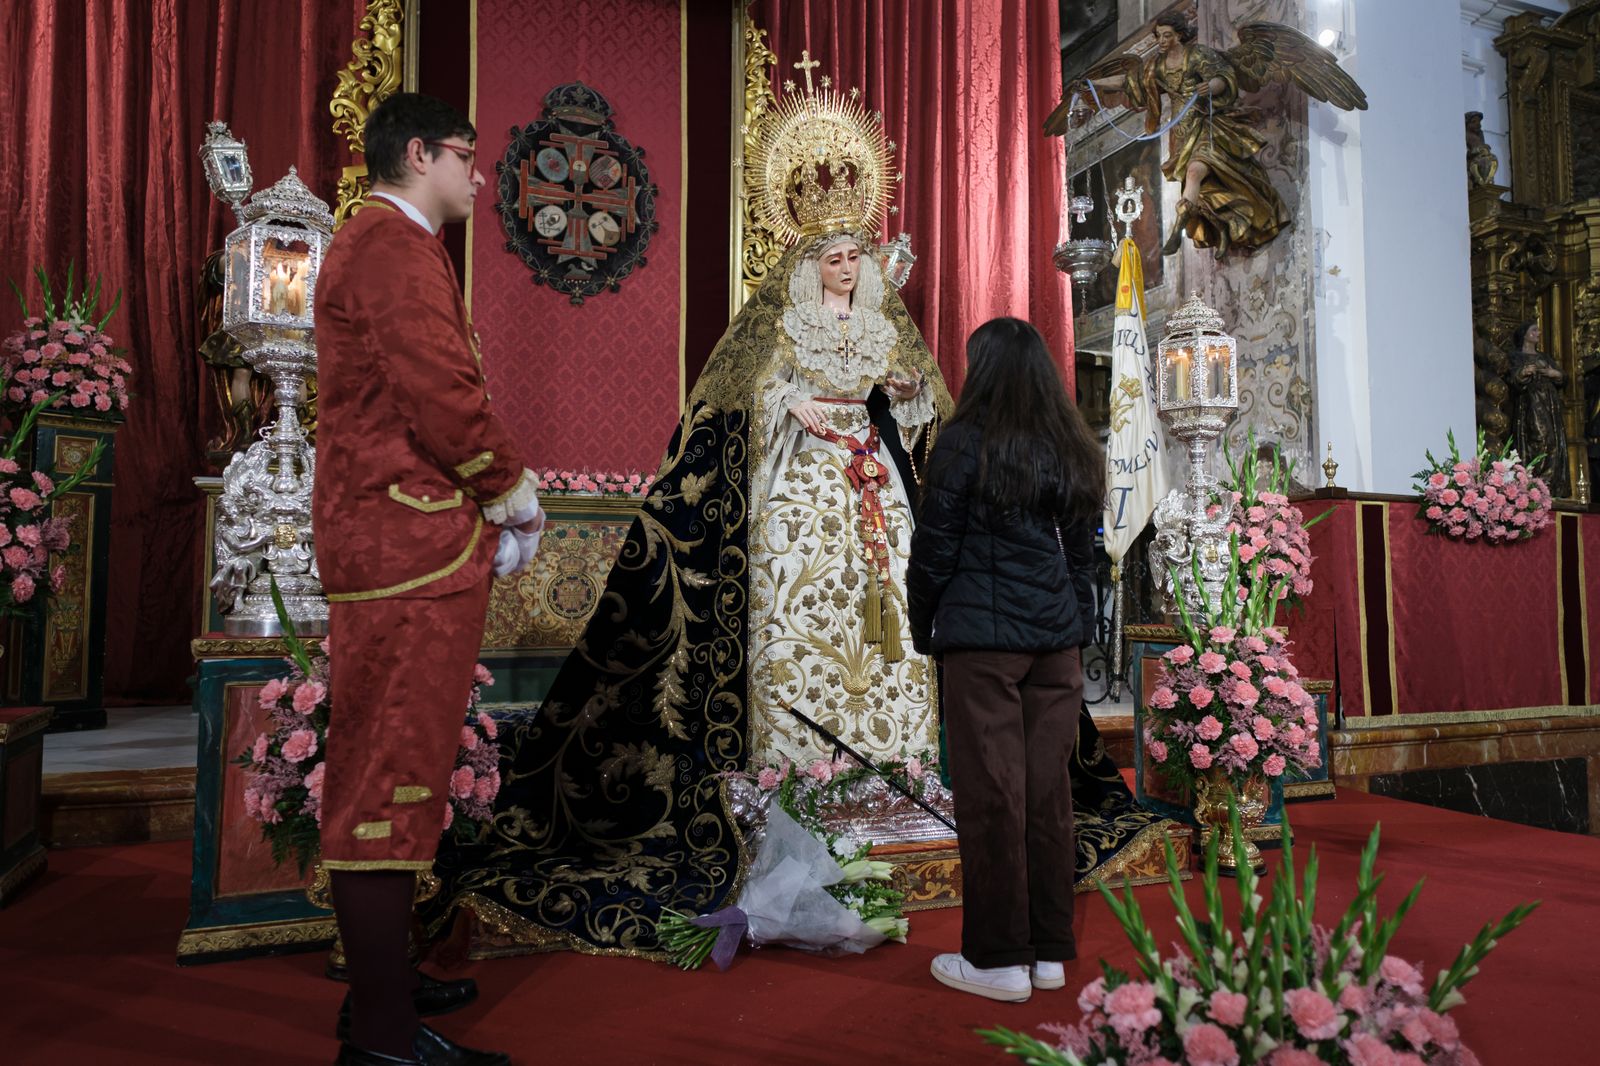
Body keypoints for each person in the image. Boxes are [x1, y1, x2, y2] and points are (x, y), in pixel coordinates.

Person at [313, 91, 544, 1066]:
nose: (479, 175)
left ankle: (386, 988)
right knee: (387, 784)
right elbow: (442, 393)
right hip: (409, 548)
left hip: (398, 543)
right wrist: (510, 490)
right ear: (419, 154)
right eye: (465, 154)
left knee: (397, 773)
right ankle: (380, 1038)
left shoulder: (383, 244)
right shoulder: (393, 248)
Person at [907, 317, 1104, 1003]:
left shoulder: (963, 440)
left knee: (994, 798)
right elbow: (1083, 558)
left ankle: (996, 960)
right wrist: (1075, 630)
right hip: (1056, 643)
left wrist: (922, 623)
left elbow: (935, 545)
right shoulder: (1070, 443)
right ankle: (1047, 952)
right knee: (1048, 798)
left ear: (981, 369)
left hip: (985, 642)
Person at [1508, 320, 1570, 498]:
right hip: (1530, 403)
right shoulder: (1516, 357)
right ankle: (1536, 485)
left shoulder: (1545, 357)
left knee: (1553, 441)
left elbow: (1562, 377)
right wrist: (1524, 372)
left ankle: (1550, 485)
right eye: (1534, 330)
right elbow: (1511, 379)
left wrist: (1555, 374)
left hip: (1549, 404)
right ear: (1525, 334)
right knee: (1539, 438)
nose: (1538, 333)